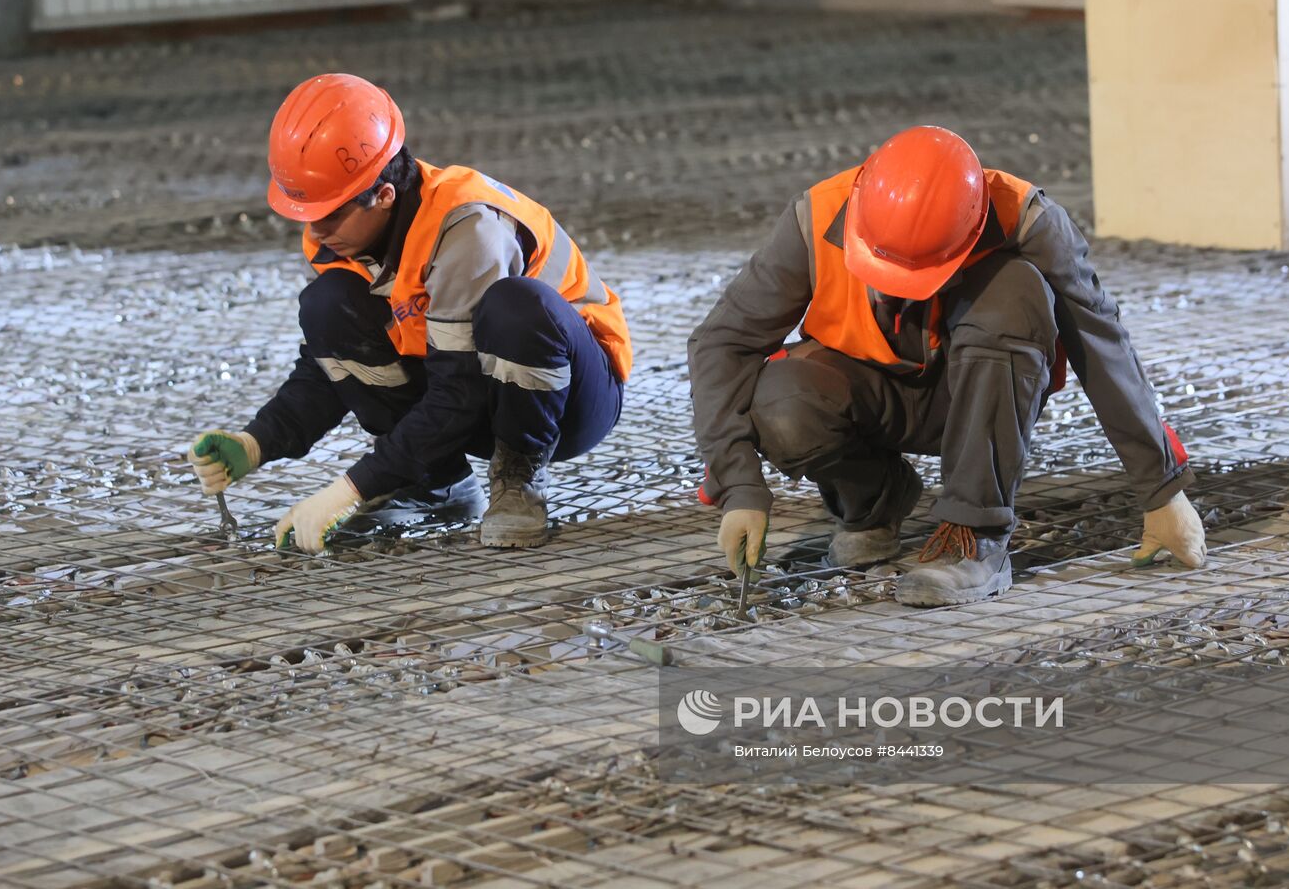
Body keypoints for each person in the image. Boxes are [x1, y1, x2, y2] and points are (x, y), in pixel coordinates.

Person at [688, 125, 1205, 607]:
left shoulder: (1028, 221)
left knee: (1016, 292)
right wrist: (740, 486)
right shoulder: (816, 217)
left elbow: (1102, 343)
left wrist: (1161, 490)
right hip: (870, 396)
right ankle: (875, 503)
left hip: (978, 393)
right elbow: (722, 343)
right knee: (782, 400)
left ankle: (974, 536)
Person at [186, 74, 631, 552]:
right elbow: (330, 366)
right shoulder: (341, 239)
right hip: (474, 391)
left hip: (570, 400)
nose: (314, 232)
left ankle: (518, 478)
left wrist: (354, 487)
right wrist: (257, 442)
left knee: (515, 307)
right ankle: (436, 486)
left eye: (329, 213)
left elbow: (459, 392)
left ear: (382, 196)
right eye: (306, 214)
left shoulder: (467, 227)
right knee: (327, 305)